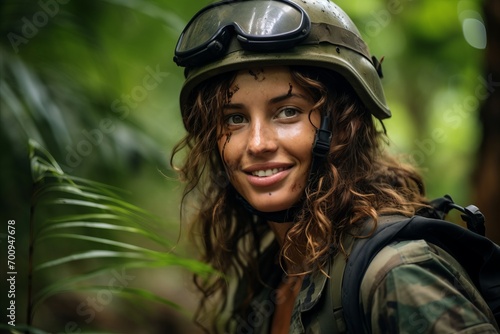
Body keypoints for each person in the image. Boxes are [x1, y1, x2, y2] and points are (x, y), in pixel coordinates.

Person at [171, 0, 500, 333]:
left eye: (288, 112)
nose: (257, 143)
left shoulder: (395, 271)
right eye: (235, 118)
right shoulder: (271, 276)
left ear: (343, 124)